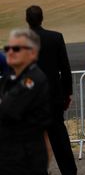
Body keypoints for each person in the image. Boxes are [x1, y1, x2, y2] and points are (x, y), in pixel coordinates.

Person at [26, 5, 78, 175]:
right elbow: (65, 69)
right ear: (42, 18)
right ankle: (68, 170)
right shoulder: (55, 38)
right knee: (59, 137)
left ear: (27, 20)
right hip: (54, 96)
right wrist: (67, 93)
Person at [0, 29, 51, 174]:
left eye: (16, 49)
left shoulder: (33, 79)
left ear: (32, 53)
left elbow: (7, 109)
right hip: (9, 157)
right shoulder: (10, 79)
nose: (10, 52)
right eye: (7, 48)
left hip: (25, 160)